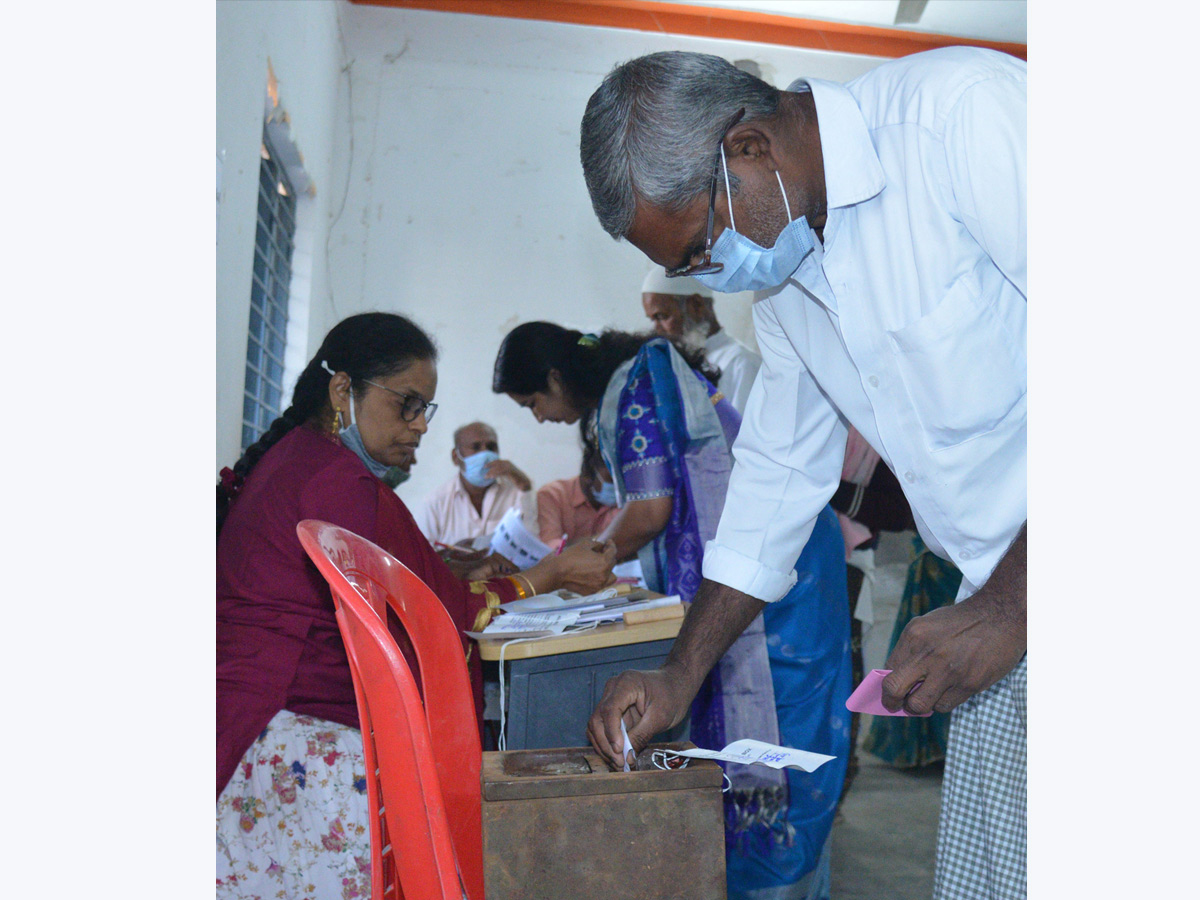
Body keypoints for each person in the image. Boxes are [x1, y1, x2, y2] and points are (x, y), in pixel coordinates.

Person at [579, 47, 1026, 900]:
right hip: (1007, 605)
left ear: (748, 150)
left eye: (702, 249)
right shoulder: (790, 287)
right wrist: (681, 673)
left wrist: (1009, 604)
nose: (710, 277)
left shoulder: (957, 120)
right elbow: (778, 478)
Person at [216, 312, 617, 900]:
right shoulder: (337, 479)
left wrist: (453, 570)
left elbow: (403, 583)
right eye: (407, 403)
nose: (419, 426)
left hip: (253, 711)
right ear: (341, 392)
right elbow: (445, 616)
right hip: (289, 731)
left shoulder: (309, 461)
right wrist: (549, 572)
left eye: (424, 410)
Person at [494, 322, 851, 899]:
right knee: (754, 728)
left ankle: (783, 882)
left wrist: (570, 566)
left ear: (557, 377)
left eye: (533, 401)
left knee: (786, 736)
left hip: (780, 570)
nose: (538, 416)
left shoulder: (638, 382)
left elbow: (651, 510)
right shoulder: (633, 386)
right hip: (764, 559)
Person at [641, 265, 762, 413]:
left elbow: (738, 432)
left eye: (662, 316)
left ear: (696, 305)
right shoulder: (674, 365)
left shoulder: (742, 364)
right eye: (652, 320)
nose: (657, 330)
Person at [416, 420, 533, 549]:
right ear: (456, 457)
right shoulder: (435, 503)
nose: (485, 454)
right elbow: (423, 556)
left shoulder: (516, 491)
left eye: (491, 447)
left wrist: (524, 485)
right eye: (476, 447)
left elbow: (531, 541)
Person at [536, 445, 620, 551]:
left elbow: (628, 541)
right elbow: (551, 550)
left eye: (621, 480)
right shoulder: (552, 496)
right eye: (612, 480)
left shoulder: (624, 500)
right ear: (587, 476)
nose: (619, 487)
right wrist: (603, 541)